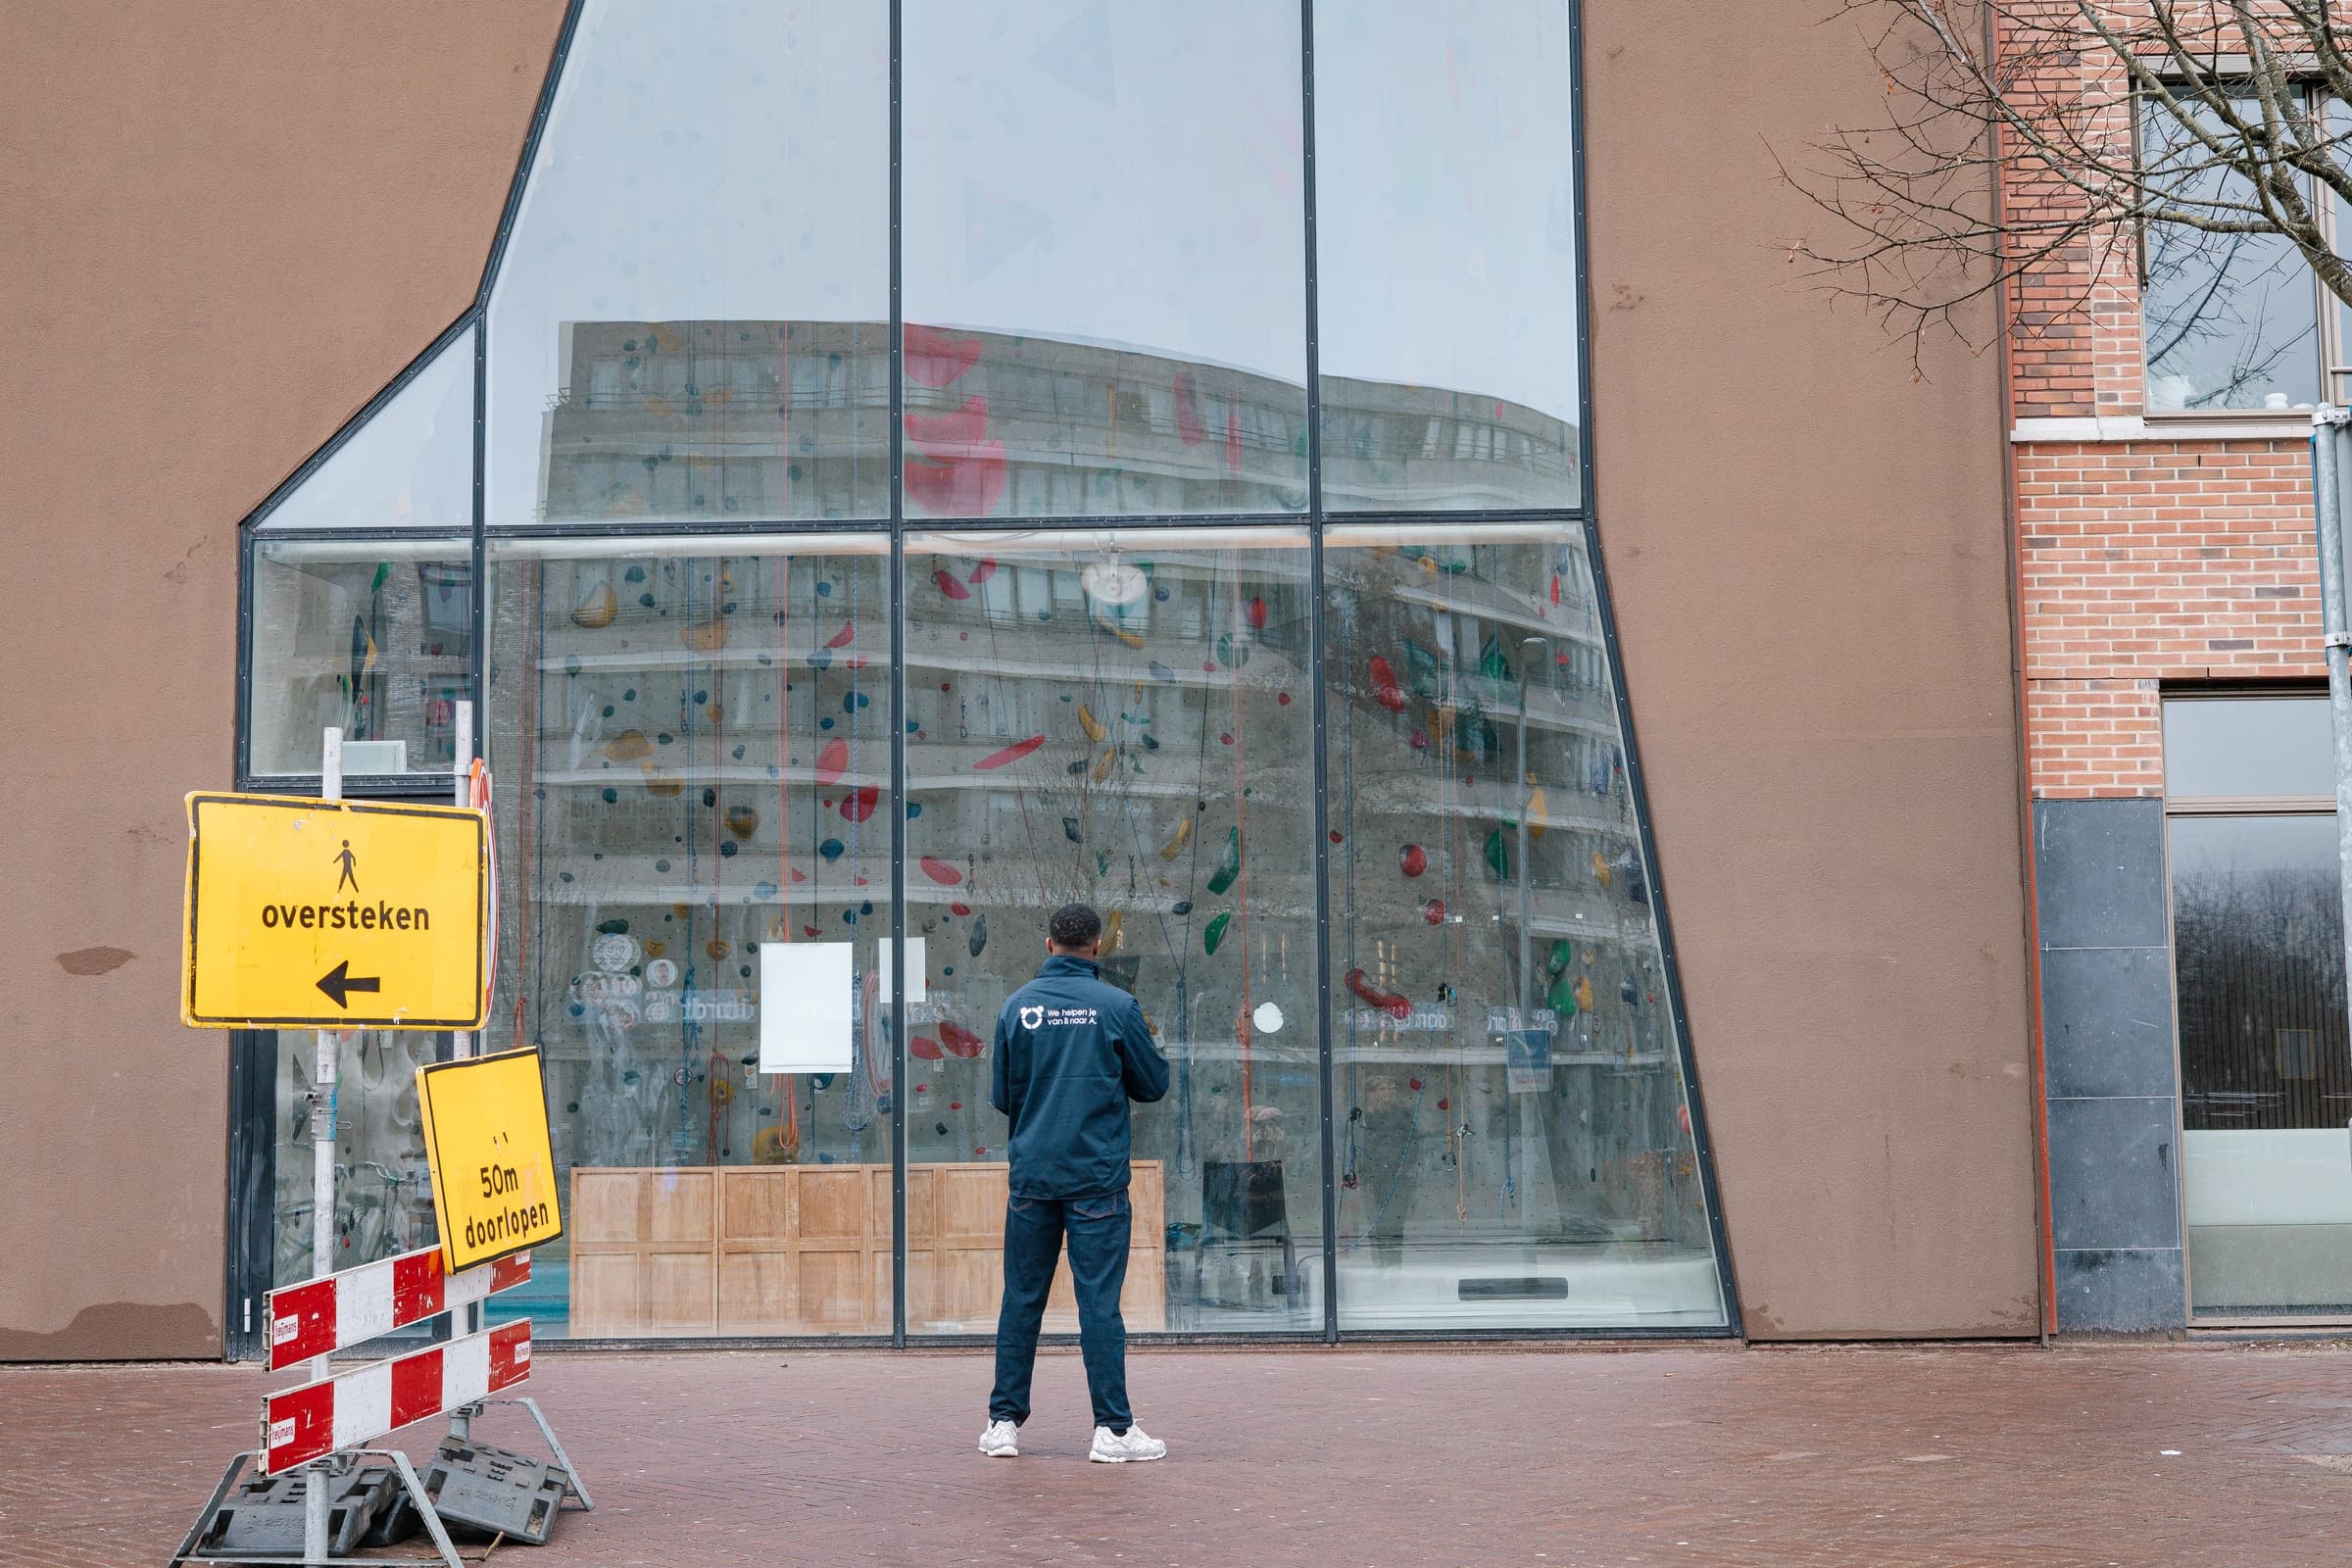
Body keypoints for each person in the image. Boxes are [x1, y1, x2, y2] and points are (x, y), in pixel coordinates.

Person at [977, 902, 1171, 1463]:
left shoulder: (1017, 1008)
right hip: (1096, 1181)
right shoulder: (1116, 1006)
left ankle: (1003, 1423)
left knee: (1021, 1300)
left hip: (1033, 1178)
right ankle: (1112, 1431)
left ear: (1048, 944)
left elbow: (1001, 1097)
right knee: (1099, 1306)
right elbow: (1153, 1084)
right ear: (1097, 947)